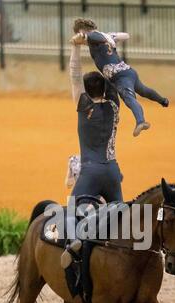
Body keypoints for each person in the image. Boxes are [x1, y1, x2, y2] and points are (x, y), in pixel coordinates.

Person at [60, 42, 124, 269]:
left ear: (86, 91)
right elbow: (118, 73)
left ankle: (74, 244)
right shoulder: (115, 105)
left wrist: (76, 46)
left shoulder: (83, 105)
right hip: (113, 172)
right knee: (120, 218)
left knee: (70, 212)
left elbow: (74, 73)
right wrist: (113, 47)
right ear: (106, 89)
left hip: (90, 172)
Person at [71, 18, 169, 137]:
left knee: (129, 98)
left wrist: (82, 37)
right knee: (143, 90)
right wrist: (111, 38)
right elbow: (125, 36)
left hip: (120, 76)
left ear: (82, 31)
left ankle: (141, 121)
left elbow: (90, 36)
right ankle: (163, 100)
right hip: (127, 71)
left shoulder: (92, 37)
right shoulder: (106, 36)